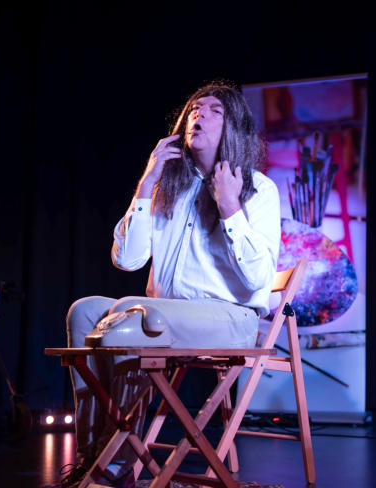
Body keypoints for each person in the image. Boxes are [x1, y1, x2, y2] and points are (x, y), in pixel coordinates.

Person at [56, 83, 281, 488]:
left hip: (229, 318)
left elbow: (259, 279)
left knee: (131, 315)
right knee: (85, 311)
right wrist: (147, 184)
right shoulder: (169, 187)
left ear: (234, 127)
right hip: (162, 315)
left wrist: (229, 205)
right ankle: (94, 459)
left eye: (214, 110)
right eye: (194, 108)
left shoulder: (258, 188)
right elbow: (128, 260)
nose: (199, 114)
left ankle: (113, 468)